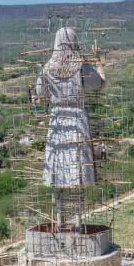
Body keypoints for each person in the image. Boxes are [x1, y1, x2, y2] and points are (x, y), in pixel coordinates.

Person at [32, 27, 106, 227]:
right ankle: (79, 223)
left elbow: (39, 95)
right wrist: (99, 61)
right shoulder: (80, 66)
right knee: (77, 171)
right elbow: (99, 85)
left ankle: (58, 220)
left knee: (58, 170)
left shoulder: (47, 68)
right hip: (77, 118)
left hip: (57, 119)